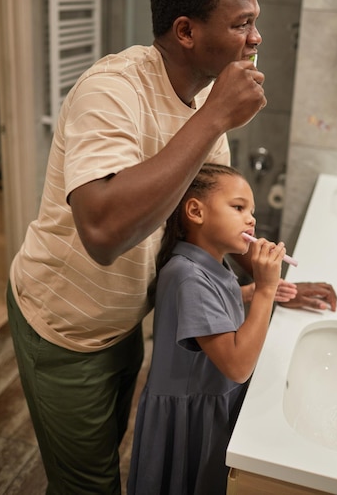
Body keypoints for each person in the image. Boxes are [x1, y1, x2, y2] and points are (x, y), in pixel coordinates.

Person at [7, 0, 336, 494]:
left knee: (99, 458)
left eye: (255, 23)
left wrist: (261, 289)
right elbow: (104, 235)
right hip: (63, 324)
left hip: (124, 317)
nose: (256, 39)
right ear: (185, 31)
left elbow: (199, 224)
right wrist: (212, 119)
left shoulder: (207, 101)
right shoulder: (111, 91)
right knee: (87, 485)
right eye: (241, 24)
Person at [127, 163, 296, 495]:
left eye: (252, 211)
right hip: (190, 418)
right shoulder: (187, 275)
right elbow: (237, 366)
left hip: (206, 402)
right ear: (195, 211)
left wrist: (250, 292)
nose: (251, 220)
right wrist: (263, 290)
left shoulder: (210, 262)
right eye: (238, 207)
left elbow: (215, 304)